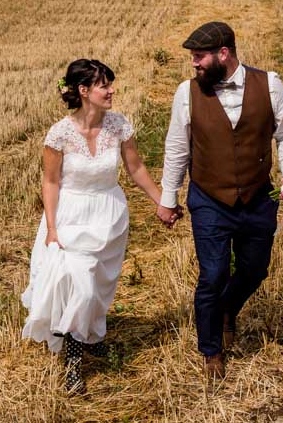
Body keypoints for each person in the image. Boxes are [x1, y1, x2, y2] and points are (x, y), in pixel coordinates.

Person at [160, 22, 283, 380]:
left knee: (256, 269)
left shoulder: (269, 85)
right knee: (212, 274)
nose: (194, 64)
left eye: (200, 56)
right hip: (209, 198)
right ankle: (211, 350)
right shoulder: (186, 93)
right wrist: (168, 196)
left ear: (224, 54)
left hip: (258, 198)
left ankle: (227, 310)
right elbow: (177, 147)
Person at [21, 59, 171, 394]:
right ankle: (73, 365)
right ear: (84, 91)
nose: (111, 90)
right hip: (71, 217)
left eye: (110, 84)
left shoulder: (119, 125)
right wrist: (52, 229)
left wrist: (162, 202)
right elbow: (50, 182)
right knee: (81, 289)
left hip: (110, 214)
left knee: (100, 289)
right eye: (104, 85)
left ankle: (89, 336)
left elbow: (136, 169)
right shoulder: (59, 133)